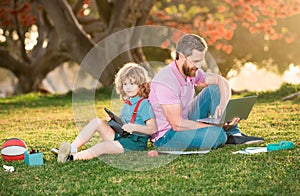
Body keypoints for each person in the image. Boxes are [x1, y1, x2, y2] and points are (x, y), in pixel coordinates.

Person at [148, 34, 264, 150]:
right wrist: (213, 125)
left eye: (200, 61)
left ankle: (233, 134)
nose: (198, 66)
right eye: (195, 61)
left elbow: (221, 81)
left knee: (214, 89)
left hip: (186, 119)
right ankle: (223, 133)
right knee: (217, 135)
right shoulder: (167, 81)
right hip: (168, 135)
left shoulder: (189, 71)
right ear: (182, 57)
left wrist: (223, 106)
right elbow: (177, 124)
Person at [57, 63, 156, 163]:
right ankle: (71, 149)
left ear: (141, 84)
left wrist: (134, 127)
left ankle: (71, 158)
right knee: (97, 122)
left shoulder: (144, 104)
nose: (128, 87)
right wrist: (113, 121)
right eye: (125, 84)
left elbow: (152, 128)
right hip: (122, 136)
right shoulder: (128, 102)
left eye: (132, 84)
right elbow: (124, 123)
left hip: (134, 143)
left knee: (103, 146)